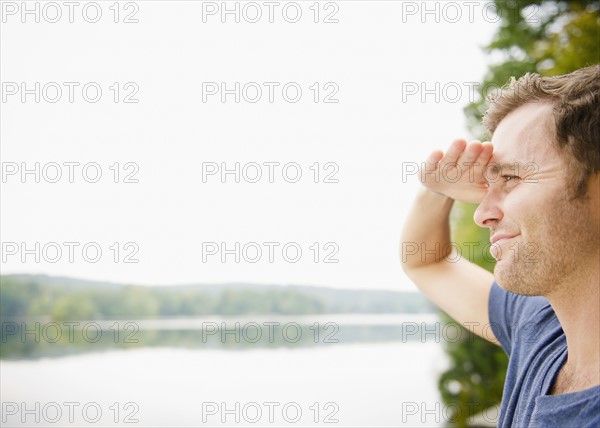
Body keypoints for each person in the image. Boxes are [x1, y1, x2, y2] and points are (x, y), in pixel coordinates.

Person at [401, 64, 599, 427]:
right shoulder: (541, 328)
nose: (482, 214)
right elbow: (426, 261)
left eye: (512, 177)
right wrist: (439, 190)